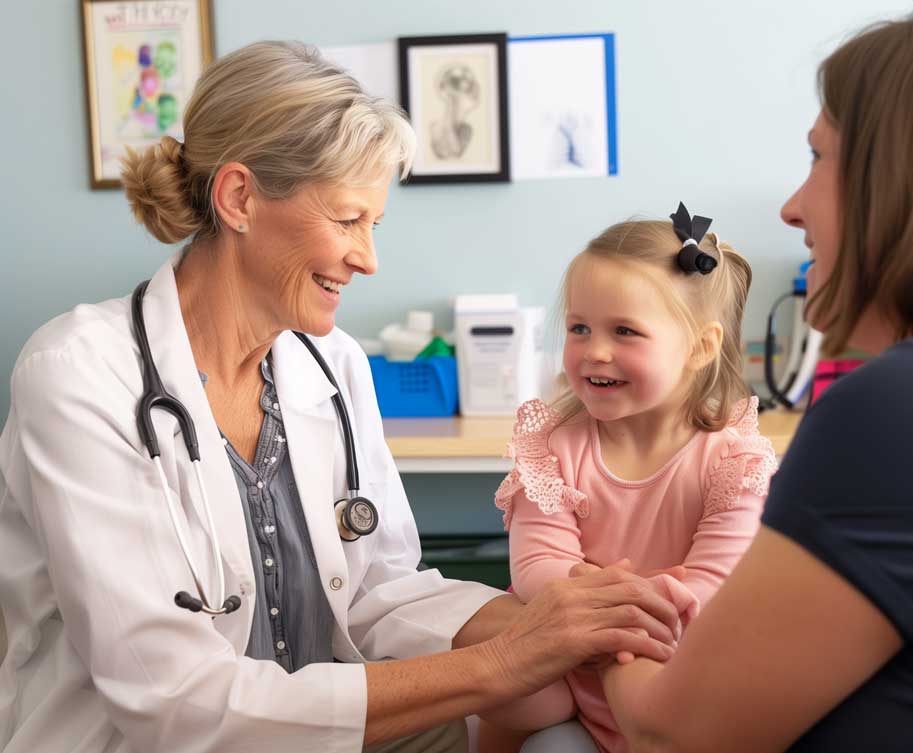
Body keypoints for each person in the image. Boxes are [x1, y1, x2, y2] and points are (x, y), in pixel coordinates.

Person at [0, 41, 682, 753]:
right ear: (239, 198)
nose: (369, 258)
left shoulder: (330, 362)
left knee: (550, 715)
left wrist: (563, 621)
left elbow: (380, 592)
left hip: (316, 729)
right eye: (348, 219)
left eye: (374, 226)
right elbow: (175, 701)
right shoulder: (79, 374)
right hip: (146, 742)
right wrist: (509, 658)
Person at [584, 2, 913, 751]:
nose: (791, 207)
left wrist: (599, 626)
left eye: (818, 158)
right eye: (579, 329)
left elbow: (674, 736)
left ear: (900, 181)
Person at [478, 210, 778, 753]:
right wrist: (610, 615)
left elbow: (714, 591)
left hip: (674, 669)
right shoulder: (550, 445)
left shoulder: (732, 460)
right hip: (571, 666)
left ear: (700, 347)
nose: (594, 350)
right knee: (504, 689)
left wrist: (614, 616)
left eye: (624, 332)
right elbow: (536, 567)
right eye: (579, 328)